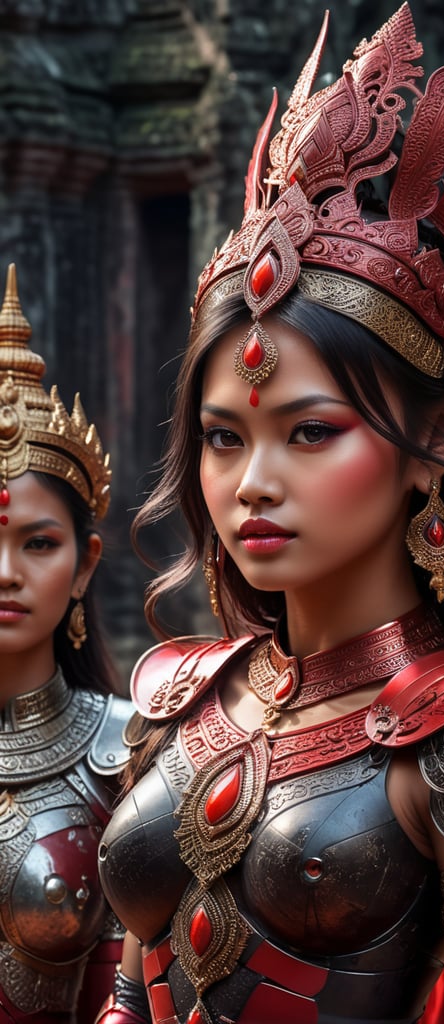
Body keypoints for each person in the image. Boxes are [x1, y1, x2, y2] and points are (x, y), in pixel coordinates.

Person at [96, 5, 444, 1023]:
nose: (252, 482)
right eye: (224, 438)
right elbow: (129, 994)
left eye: (310, 433)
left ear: (439, 436)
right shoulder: (177, 700)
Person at [0, 263, 132, 1023]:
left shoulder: (125, 756)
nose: (7, 573)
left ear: (83, 567)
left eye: (39, 544)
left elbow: (134, 997)